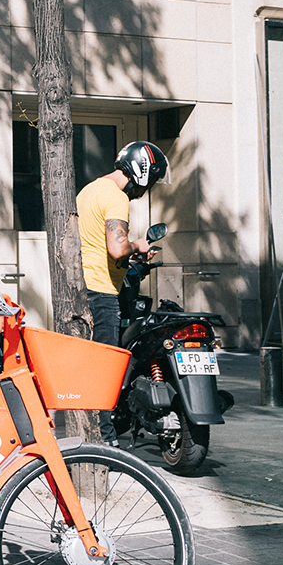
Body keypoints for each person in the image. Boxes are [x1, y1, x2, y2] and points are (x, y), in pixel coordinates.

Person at [76, 140, 169, 445]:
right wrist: (138, 245)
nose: (147, 189)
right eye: (152, 179)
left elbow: (93, 243)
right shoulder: (117, 198)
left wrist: (132, 255)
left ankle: (93, 434)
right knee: (105, 371)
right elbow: (116, 248)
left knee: (88, 368)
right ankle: (105, 441)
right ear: (142, 170)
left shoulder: (89, 190)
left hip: (83, 288)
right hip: (102, 292)